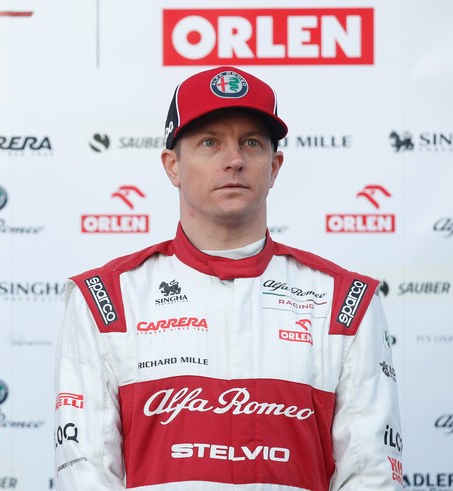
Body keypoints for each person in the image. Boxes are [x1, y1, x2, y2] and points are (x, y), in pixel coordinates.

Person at [53, 66, 403, 490]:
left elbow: (373, 476)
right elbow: (86, 476)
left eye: (251, 143)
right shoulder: (105, 300)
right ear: (172, 166)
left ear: (274, 166)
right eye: (209, 142)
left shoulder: (346, 302)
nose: (234, 160)